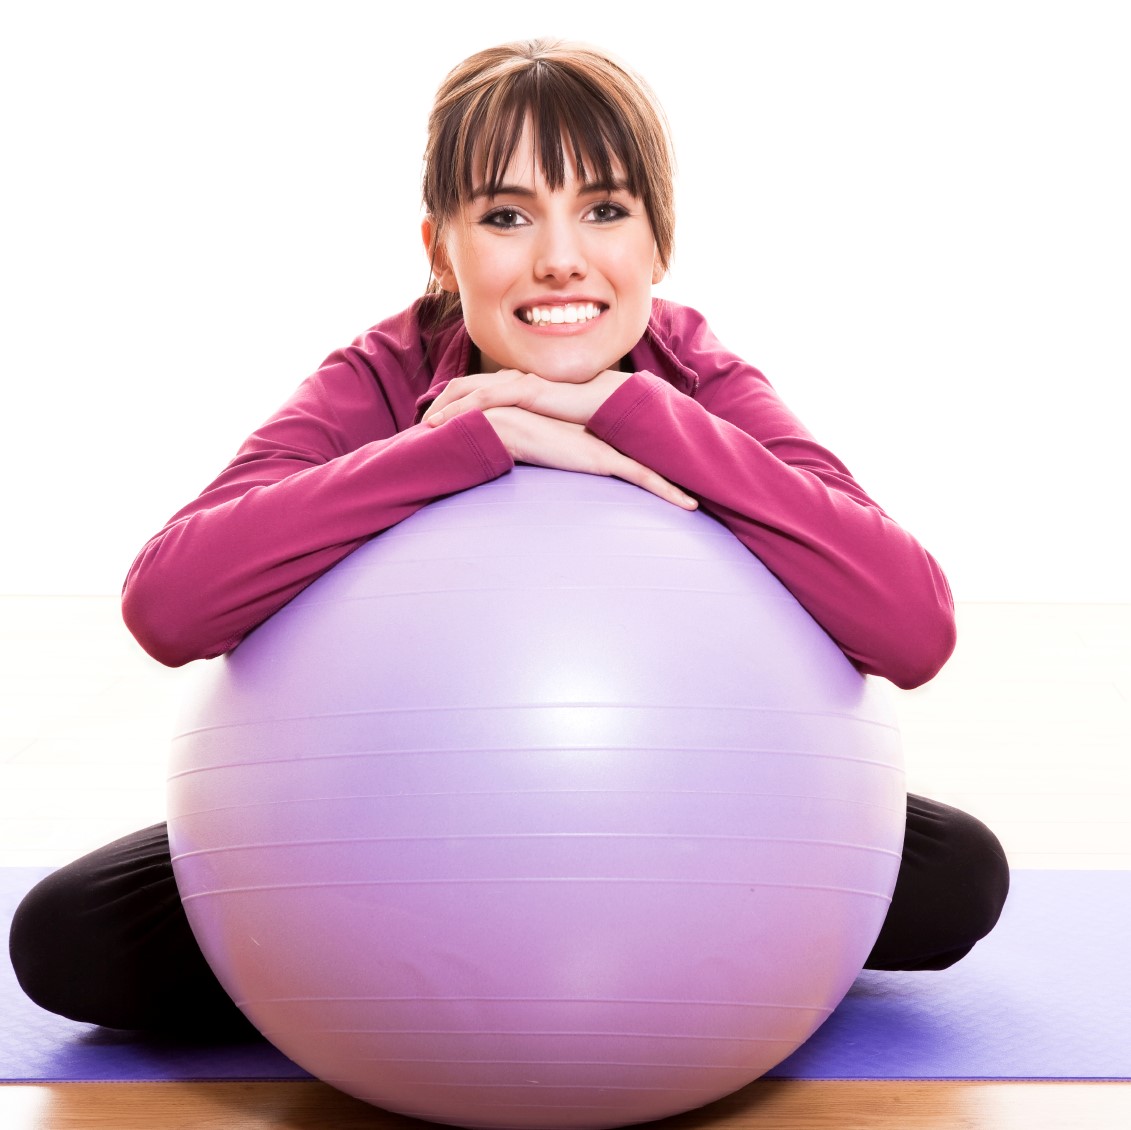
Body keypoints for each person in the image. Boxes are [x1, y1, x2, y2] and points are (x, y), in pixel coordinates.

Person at [9, 38, 1009, 1038]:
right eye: (506, 215)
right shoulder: (382, 377)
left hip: (678, 800)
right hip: (379, 819)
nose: (561, 257)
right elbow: (169, 604)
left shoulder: (701, 380)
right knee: (68, 941)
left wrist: (632, 410)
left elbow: (913, 627)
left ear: (659, 245)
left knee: (957, 873)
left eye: (605, 211)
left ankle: (653, 940)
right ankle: (375, 950)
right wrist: (467, 439)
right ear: (441, 247)